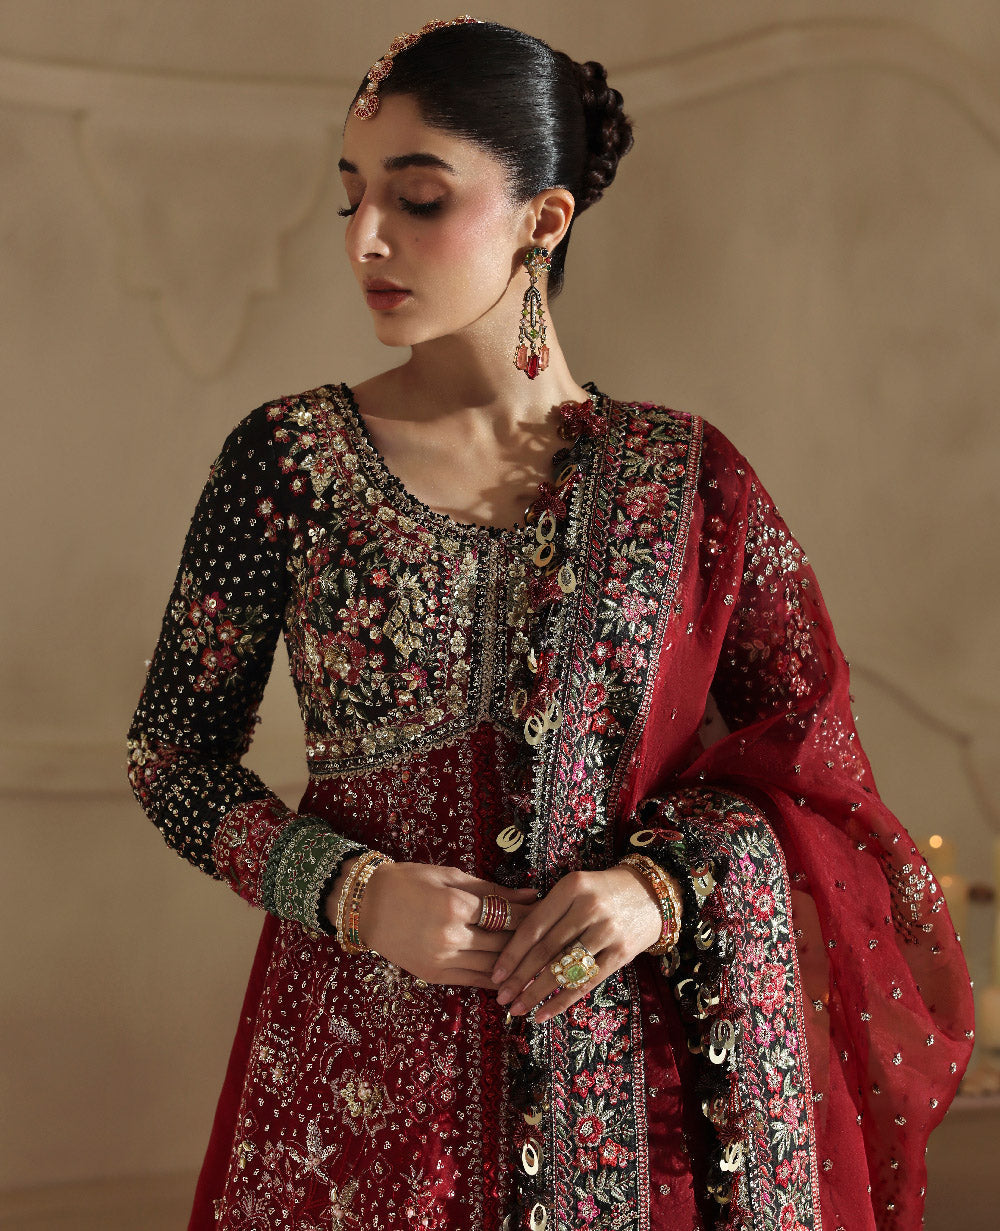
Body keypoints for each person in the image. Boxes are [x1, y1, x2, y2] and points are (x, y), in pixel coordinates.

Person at [127, 18, 974, 1231]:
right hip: (350, 1099)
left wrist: (658, 887)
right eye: (352, 194)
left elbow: (816, 783)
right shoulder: (287, 460)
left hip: (633, 1105)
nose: (365, 236)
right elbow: (171, 755)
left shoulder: (690, 482)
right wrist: (354, 891)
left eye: (418, 198)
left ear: (544, 218)